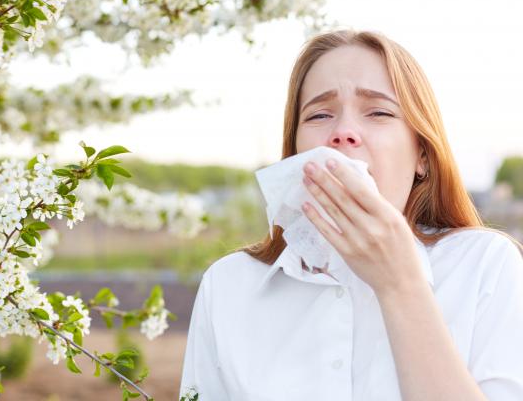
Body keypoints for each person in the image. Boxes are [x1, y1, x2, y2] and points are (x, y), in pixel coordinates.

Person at [178, 29, 523, 400]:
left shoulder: (486, 265)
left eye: (378, 112)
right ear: (295, 150)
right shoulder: (228, 286)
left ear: (422, 155)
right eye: (320, 114)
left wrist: (400, 284)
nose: (343, 132)